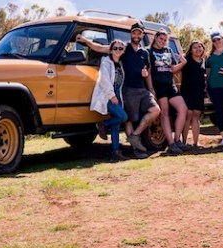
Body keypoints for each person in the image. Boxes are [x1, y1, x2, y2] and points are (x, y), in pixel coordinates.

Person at [77, 22, 160, 158]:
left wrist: (150, 87)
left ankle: (133, 136)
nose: (137, 35)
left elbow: (148, 72)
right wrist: (86, 41)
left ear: (142, 35)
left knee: (155, 110)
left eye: (139, 33)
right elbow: (101, 48)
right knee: (126, 119)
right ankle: (133, 150)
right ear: (131, 34)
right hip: (126, 91)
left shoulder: (145, 52)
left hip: (141, 90)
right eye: (134, 32)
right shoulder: (124, 48)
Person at [148, 29, 189, 155]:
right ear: (155, 38)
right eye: (161, 39)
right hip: (158, 85)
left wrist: (183, 63)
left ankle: (177, 140)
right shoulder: (149, 51)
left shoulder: (168, 50)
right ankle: (171, 144)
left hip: (170, 84)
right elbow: (148, 71)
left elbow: (173, 70)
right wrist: (150, 88)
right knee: (164, 112)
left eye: (165, 40)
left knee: (183, 109)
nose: (163, 42)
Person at [90, 39, 128, 161]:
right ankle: (102, 124)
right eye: (115, 48)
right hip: (107, 95)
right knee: (123, 117)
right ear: (111, 50)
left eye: (120, 48)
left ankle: (115, 152)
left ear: (123, 51)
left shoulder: (121, 63)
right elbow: (104, 80)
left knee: (116, 124)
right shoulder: (106, 62)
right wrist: (112, 95)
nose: (118, 50)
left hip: (118, 93)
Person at [180, 40, 206, 149]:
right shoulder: (186, 61)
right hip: (187, 92)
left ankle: (196, 142)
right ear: (190, 50)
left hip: (199, 92)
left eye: (199, 47)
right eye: (195, 47)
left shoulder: (204, 61)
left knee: (196, 116)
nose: (198, 49)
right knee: (188, 115)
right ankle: (184, 142)